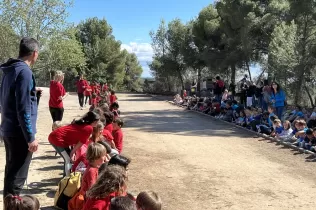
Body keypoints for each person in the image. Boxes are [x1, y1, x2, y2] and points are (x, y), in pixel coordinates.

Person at [0, 37, 39, 198]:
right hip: (19, 133)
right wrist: (30, 137)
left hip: (8, 129)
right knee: (17, 179)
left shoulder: (11, 70)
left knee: (11, 174)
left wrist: (34, 96)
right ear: (34, 54)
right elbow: (22, 109)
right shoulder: (24, 72)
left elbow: (11, 99)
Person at [48, 111, 100, 176]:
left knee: (67, 159)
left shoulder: (81, 123)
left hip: (55, 137)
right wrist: (72, 152)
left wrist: (72, 151)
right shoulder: (89, 128)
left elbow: (75, 137)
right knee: (68, 159)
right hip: (58, 139)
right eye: (95, 122)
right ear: (91, 121)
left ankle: (66, 176)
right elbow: (81, 142)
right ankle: (68, 179)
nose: (97, 124)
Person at [68, 142, 108, 210]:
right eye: (104, 155)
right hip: (86, 200)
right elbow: (92, 189)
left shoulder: (93, 167)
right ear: (96, 157)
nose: (105, 157)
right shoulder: (92, 171)